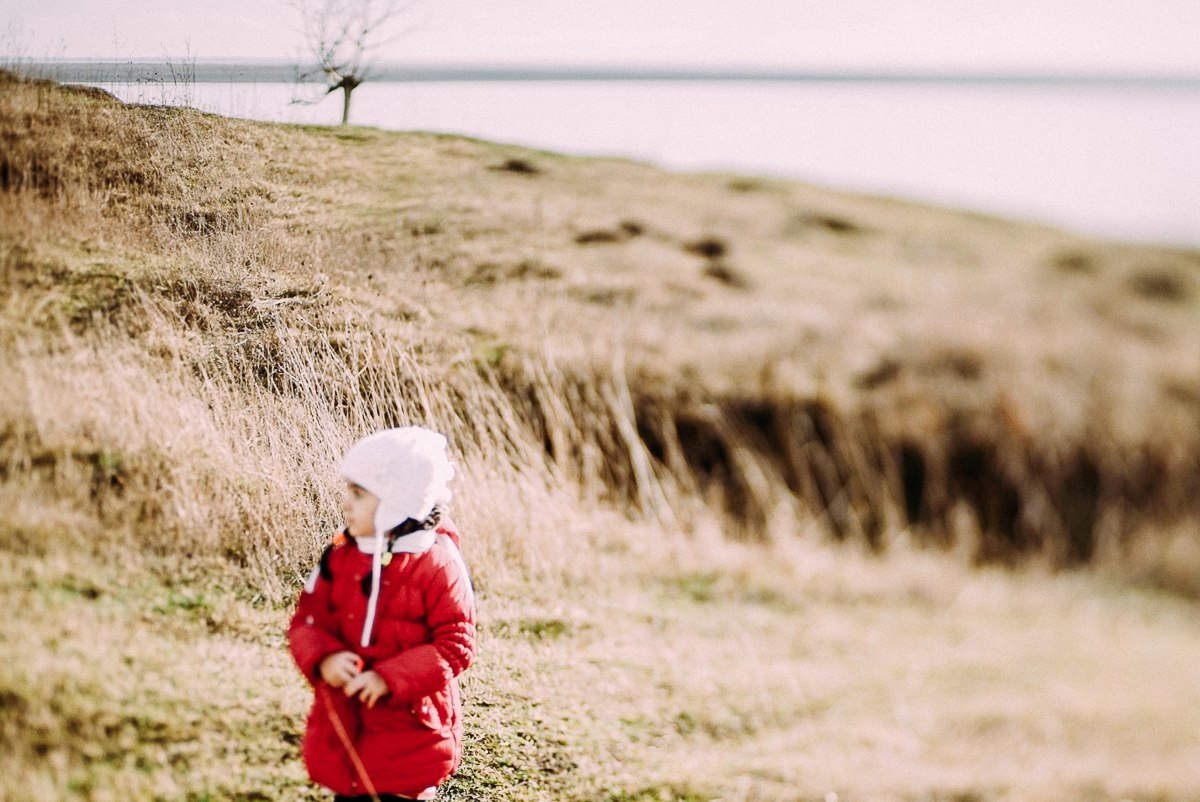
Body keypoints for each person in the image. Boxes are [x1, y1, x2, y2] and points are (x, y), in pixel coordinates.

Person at [288, 426, 476, 801]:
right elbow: (308, 620)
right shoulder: (341, 556)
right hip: (345, 723)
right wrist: (323, 657)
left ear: (397, 504)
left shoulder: (437, 564)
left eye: (358, 495)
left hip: (410, 733)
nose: (345, 504)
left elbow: (456, 643)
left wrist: (390, 678)